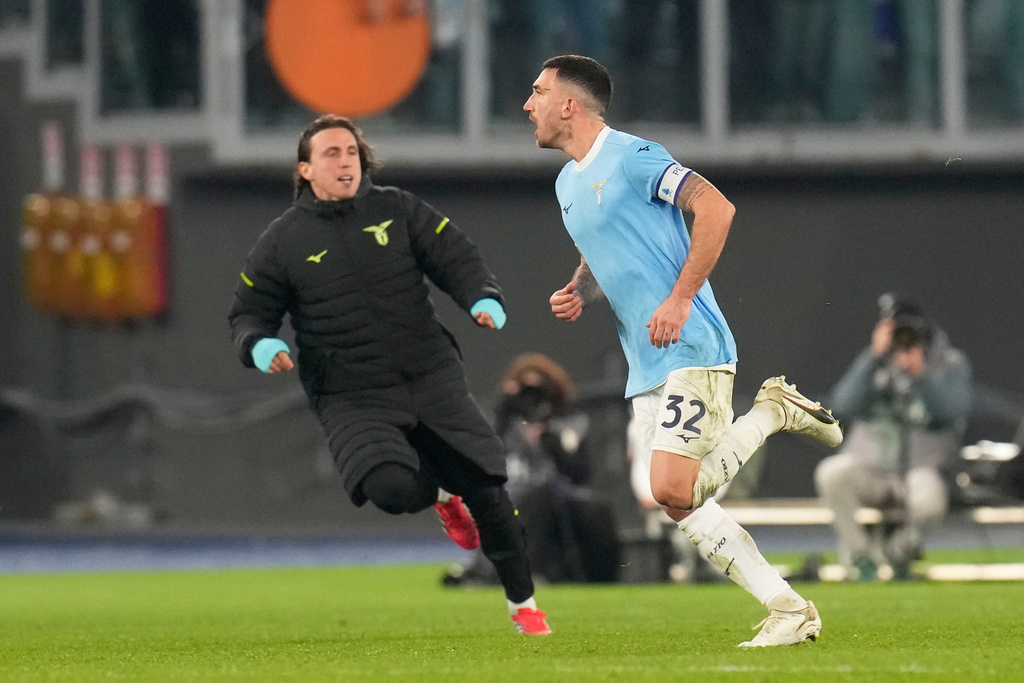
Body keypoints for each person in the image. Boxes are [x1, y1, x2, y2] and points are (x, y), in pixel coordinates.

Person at [523, 55, 843, 647]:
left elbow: (716, 208)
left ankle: (772, 412)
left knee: (672, 490)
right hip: (647, 360)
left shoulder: (634, 156)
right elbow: (606, 246)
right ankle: (788, 607)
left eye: (538, 92)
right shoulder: (568, 182)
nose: (527, 104)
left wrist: (679, 299)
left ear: (569, 104)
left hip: (691, 342)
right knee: (675, 502)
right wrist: (581, 289)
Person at [227, 114, 550, 635]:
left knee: (489, 491)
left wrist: (481, 296)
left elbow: (456, 255)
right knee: (392, 490)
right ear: (305, 169)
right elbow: (248, 313)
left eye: (351, 152)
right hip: (350, 393)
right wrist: (260, 345)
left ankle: (525, 608)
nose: (345, 161)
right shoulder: (282, 240)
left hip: (429, 374)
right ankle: (442, 497)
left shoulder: (396, 208)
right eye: (331, 153)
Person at [815, 294, 972, 581]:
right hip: (871, 469)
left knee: (929, 503)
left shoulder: (948, 363)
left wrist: (922, 376)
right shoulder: (874, 362)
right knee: (831, 473)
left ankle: (899, 551)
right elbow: (843, 404)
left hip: (921, 468)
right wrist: (872, 359)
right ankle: (862, 556)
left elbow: (952, 411)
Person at [444, 353, 621, 586]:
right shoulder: (503, 419)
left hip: (560, 497)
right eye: (525, 390)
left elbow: (581, 473)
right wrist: (506, 410)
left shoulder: (568, 421)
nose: (531, 398)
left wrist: (552, 442)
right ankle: (489, 571)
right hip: (511, 493)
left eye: (538, 390)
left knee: (592, 510)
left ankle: (590, 577)